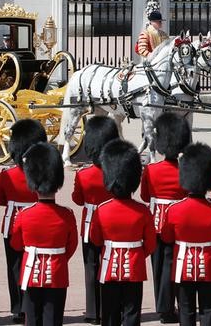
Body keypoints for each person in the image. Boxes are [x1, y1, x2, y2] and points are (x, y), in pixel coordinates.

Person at [89, 140, 157, 326]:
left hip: (109, 265)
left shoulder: (102, 210)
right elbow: (150, 244)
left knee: (109, 313)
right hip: (134, 266)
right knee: (132, 313)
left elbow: (95, 239)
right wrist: (136, 254)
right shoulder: (142, 211)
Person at [160, 143, 211, 326]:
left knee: (186, 311)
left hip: (183, 266)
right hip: (210, 265)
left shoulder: (175, 209)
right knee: (208, 312)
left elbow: (167, 237)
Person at [10, 142, 78, 326]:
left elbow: (16, 244)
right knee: (53, 319)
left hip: (31, 271)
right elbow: (71, 247)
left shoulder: (24, 215)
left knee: (32, 320)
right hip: (57, 272)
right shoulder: (67, 215)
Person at [0, 119, 46, 324]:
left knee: (14, 267)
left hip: (13, 223)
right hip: (37, 221)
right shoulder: (41, 171)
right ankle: (33, 306)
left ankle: (18, 309)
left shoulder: (7, 174)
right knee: (34, 265)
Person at [140, 113, 190, 323]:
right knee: (175, 265)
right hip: (179, 222)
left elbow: (144, 196)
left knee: (159, 265)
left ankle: (164, 307)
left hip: (157, 222)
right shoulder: (185, 170)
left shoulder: (151, 170)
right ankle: (175, 306)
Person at [71, 116, 119, 324]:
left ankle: (93, 311)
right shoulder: (117, 170)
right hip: (113, 222)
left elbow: (78, 200)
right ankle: (109, 308)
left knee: (91, 265)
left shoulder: (84, 174)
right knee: (109, 264)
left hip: (90, 223)